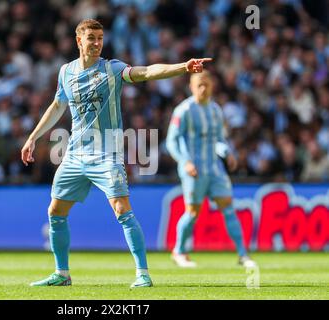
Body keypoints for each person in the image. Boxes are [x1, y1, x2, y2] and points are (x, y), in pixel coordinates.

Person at [21, 19, 212, 287]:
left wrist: (183, 67)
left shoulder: (112, 69)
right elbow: (57, 105)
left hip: (106, 153)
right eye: (91, 38)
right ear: (79, 41)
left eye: (100, 38)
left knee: (122, 209)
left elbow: (146, 72)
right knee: (55, 211)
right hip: (75, 154)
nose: (97, 43)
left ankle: (143, 274)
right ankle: (62, 274)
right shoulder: (65, 72)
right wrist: (33, 137)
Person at [166, 71, 256, 268]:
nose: (203, 88)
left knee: (228, 207)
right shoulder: (184, 110)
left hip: (214, 168)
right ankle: (179, 251)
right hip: (194, 169)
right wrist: (184, 161)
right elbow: (171, 141)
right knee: (193, 212)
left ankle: (243, 254)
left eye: (206, 84)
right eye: (199, 84)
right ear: (191, 86)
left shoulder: (215, 109)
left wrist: (227, 153)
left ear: (212, 86)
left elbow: (218, 140)